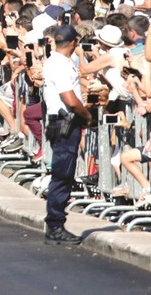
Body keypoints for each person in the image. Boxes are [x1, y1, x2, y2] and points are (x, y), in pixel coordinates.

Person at [42, 25, 91, 245]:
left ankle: (56, 222)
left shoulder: (56, 62)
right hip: (64, 123)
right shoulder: (59, 64)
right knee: (62, 174)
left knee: (64, 173)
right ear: (73, 43)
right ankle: (55, 224)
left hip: (62, 122)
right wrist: (87, 115)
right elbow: (70, 100)